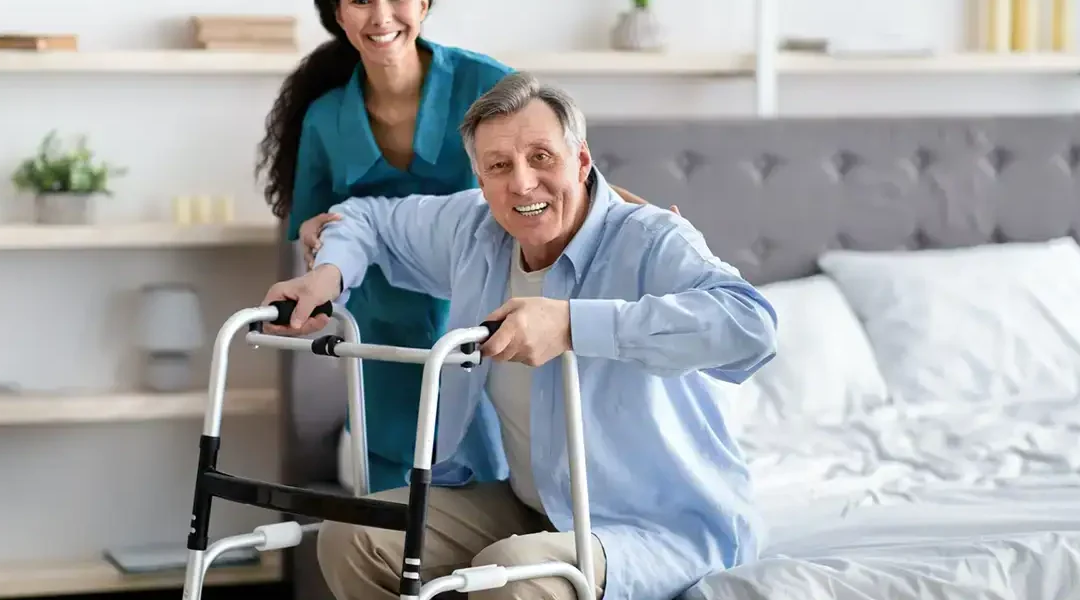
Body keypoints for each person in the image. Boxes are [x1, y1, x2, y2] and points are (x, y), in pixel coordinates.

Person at [261, 72, 778, 600]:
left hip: (656, 526)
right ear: (481, 182)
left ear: (581, 161)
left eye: (542, 157)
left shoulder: (650, 240)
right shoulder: (475, 228)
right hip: (530, 505)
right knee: (355, 536)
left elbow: (751, 325)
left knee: (511, 573)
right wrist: (327, 275)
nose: (523, 183)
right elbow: (368, 218)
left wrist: (574, 325)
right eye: (499, 167)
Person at [255, 0, 657, 493]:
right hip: (384, 322)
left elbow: (568, 177)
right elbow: (315, 223)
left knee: (495, 473)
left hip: (487, 310)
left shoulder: (485, 84)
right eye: (360, 0)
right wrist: (318, 237)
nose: (381, 16)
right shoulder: (325, 118)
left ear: (424, 4)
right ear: (339, 16)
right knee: (393, 499)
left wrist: (642, 220)